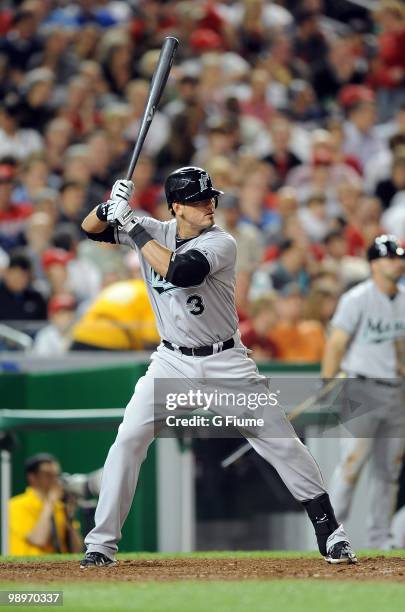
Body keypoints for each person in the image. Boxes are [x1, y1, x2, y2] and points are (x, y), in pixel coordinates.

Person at [78, 167, 357, 567]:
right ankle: (101, 545)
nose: (209, 204)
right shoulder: (152, 228)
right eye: (197, 200)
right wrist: (108, 207)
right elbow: (89, 229)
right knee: (128, 439)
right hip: (171, 361)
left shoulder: (221, 242)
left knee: (281, 442)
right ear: (176, 207)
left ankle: (331, 532)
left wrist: (132, 226)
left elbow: (180, 272)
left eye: (210, 197)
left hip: (225, 362)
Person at [322, 235, 405, 548]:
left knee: (389, 470)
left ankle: (381, 537)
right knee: (352, 465)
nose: (398, 262)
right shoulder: (357, 298)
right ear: (374, 263)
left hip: (396, 391)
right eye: (391, 257)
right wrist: (326, 381)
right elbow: (337, 342)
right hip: (361, 387)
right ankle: (331, 535)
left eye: (399, 257)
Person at [9, 453, 82, 555]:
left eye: (57, 475)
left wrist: (69, 518)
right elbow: (38, 540)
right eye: (48, 474)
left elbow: (77, 550)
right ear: (32, 477)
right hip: (26, 568)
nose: (54, 479)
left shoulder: (60, 507)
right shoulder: (16, 505)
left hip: (56, 569)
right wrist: (50, 502)